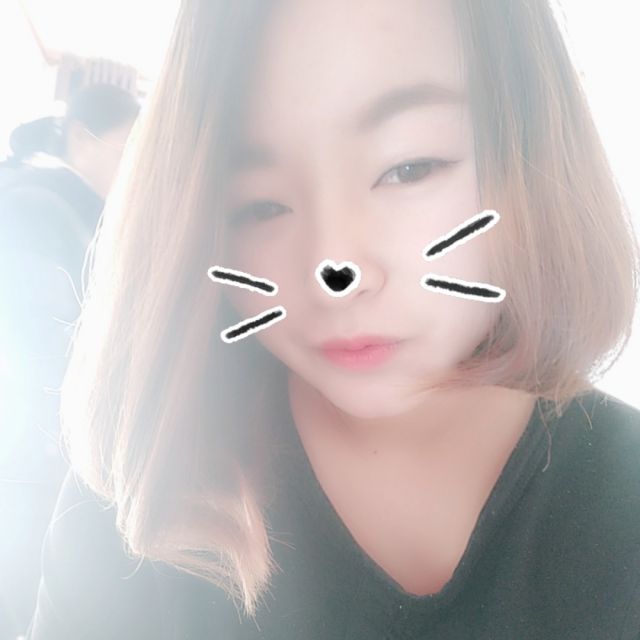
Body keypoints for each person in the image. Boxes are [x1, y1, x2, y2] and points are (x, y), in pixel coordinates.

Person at [24, 0, 640, 638]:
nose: (334, 270)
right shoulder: (145, 487)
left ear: (538, 149)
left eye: (408, 169)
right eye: (259, 205)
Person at [0, 83, 140, 639]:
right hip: (35, 464)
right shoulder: (36, 206)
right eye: (128, 147)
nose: (136, 166)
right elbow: (37, 351)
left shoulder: (58, 204)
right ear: (83, 137)